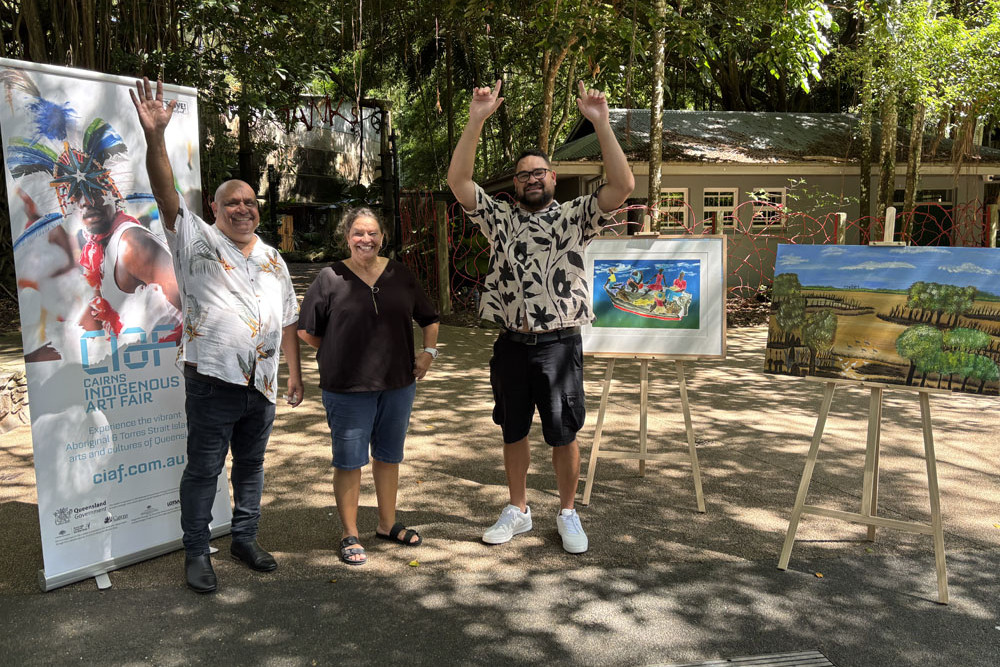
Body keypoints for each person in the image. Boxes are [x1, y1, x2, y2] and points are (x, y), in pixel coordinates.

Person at [447, 80, 634, 554]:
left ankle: (568, 512)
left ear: (553, 179)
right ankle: (519, 509)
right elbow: (459, 182)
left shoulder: (575, 217)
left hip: (559, 344)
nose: (532, 178)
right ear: (516, 184)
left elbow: (622, 186)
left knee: (562, 432)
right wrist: (476, 119)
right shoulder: (499, 220)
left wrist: (601, 123)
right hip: (512, 343)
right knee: (512, 429)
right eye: (524, 174)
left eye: (540, 172)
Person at [131, 78, 303, 593]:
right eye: (233, 202)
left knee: (251, 465)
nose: (244, 209)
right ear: (214, 209)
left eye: (250, 202)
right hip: (212, 378)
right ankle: (195, 552)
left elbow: (288, 317)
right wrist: (155, 135)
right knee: (204, 469)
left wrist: (294, 373)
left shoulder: (273, 258)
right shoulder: (194, 239)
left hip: (263, 383)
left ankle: (244, 538)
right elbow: (164, 191)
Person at [297, 208, 440, 566]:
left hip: (398, 384)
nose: (366, 239)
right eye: (359, 233)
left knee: (389, 456)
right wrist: (341, 350)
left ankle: (387, 524)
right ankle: (350, 533)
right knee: (349, 461)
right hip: (346, 387)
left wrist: (428, 354)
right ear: (347, 237)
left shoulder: (400, 274)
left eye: (373, 233)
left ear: (382, 237)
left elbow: (430, 317)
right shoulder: (329, 278)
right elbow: (306, 330)